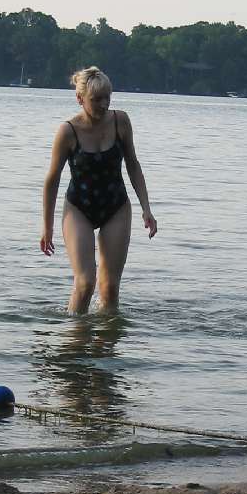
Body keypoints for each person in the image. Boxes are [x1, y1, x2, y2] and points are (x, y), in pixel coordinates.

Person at [40, 67, 157, 313]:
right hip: (78, 208)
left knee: (110, 287)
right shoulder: (67, 131)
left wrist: (146, 209)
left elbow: (133, 165)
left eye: (107, 98)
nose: (103, 105)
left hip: (116, 206)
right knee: (85, 283)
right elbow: (52, 180)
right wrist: (47, 227)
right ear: (80, 99)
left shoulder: (120, 121)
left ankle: (107, 335)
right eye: (96, 100)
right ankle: (75, 334)